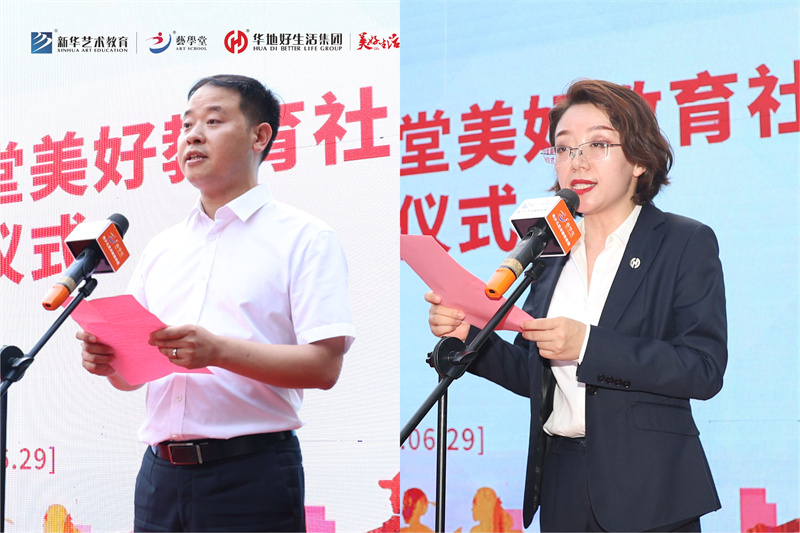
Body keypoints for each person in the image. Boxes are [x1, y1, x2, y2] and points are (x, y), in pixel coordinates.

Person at [426, 79, 727, 532]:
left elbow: (703, 369)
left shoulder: (684, 242)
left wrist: (587, 345)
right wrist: (468, 337)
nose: (577, 161)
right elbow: (534, 372)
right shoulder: (551, 250)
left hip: (649, 486)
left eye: (598, 144)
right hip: (562, 478)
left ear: (640, 160)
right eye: (564, 148)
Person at [77, 74, 355, 532]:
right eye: (186, 125)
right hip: (158, 478)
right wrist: (110, 362)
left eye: (212, 121)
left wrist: (218, 351)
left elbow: (324, 368)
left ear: (259, 137)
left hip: (249, 476)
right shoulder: (162, 248)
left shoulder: (305, 238)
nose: (193, 136)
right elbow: (132, 377)